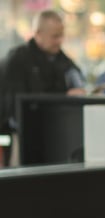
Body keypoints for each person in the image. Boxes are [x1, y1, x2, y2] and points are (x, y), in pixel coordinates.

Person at [0, 9, 85, 161]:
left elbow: (76, 77)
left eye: (61, 36)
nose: (59, 41)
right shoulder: (18, 59)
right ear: (38, 34)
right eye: (55, 36)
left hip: (54, 135)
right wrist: (64, 96)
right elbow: (14, 105)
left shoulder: (61, 60)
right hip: (20, 136)